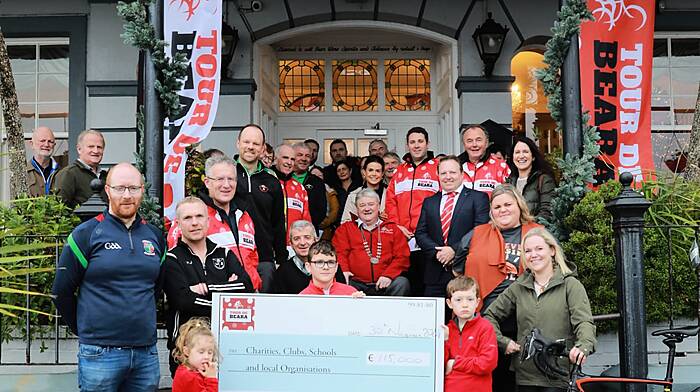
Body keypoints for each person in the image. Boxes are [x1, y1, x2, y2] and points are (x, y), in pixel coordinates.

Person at [52, 163, 165, 391]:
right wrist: (84, 329)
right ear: (107, 190)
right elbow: (60, 292)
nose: (127, 195)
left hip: (145, 353)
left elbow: (156, 288)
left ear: (142, 190)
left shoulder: (155, 236)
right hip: (100, 353)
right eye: (120, 188)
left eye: (133, 188)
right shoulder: (86, 235)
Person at [452, 183, 541, 392]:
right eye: (497, 207)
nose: (503, 210)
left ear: (519, 205)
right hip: (487, 313)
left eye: (508, 204)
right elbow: (458, 268)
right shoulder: (477, 233)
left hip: (527, 311)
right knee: (494, 376)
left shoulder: (537, 232)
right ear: (491, 211)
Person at [484, 227, 596, 391]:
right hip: (525, 377)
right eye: (527, 251)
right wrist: (503, 342)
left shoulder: (570, 285)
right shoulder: (518, 287)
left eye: (539, 248)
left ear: (552, 250)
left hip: (558, 375)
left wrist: (583, 346)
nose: (533, 254)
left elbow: (584, 322)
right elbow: (489, 316)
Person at [164, 196, 253, 377]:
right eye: (188, 218)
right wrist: (226, 295)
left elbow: (246, 287)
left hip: (225, 347)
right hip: (187, 350)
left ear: (208, 220)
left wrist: (208, 288)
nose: (195, 223)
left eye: (199, 216)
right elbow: (184, 301)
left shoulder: (225, 253)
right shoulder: (172, 259)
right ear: (178, 224)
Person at [168, 156, 262, 291]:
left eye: (231, 179)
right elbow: (178, 259)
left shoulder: (244, 216)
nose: (226, 185)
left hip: (247, 297)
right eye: (220, 179)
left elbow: (252, 258)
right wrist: (221, 287)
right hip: (207, 302)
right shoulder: (194, 216)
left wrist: (253, 283)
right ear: (207, 182)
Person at [415, 155, 490, 299]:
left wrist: (454, 250)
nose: (448, 177)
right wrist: (439, 253)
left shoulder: (478, 198)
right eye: (443, 173)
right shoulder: (429, 202)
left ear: (462, 174)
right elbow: (421, 233)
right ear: (438, 175)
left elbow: (480, 230)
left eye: (452, 172)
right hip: (434, 273)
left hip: (465, 270)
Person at [385, 126, 440, 296]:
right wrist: (396, 226)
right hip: (403, 238)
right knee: (408, 284)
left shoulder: (438, 167)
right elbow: (390, 200)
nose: (416, 145)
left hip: (429, 237)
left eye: (420, 141)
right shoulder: (400, 171)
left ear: (427, 143)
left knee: (429, 285)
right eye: (412, 142)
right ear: (407, 145)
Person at [233, 124, 287, 293]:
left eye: (256, 144)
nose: (250, 147)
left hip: (264, 258)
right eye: (246, 142)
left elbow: (278, 222)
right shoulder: (226, 174)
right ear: (238, 143)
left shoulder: (272, 180)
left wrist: (280, 258)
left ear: (263, 148)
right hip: (232, 256)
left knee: (265, 312)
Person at [333, 188, 411, 296]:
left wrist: (388, 275)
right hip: (356, 283)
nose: (367, 208)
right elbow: (339, 253)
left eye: (371, 204)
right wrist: (344, 271)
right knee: (342, 284)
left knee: (402, 283)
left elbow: (402, 256)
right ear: (356, 208)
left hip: (385, 283)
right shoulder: (345, 229)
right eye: (362, 205)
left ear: (378, 206)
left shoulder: (392, 229)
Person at [443, 276, 498, 392]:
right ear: (449, 303)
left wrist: (455, 363)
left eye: (470, 299)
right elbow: (439, 365)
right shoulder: (447, 330)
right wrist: (445, 341)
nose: (464, 304)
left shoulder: (485, 327)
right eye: (458, 300)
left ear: (477, 302)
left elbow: (487, 364)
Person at [272, 220, 346, 294]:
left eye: (307, 237)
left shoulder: (330, 266)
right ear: (291, 243)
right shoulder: (282, 272)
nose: (302, 243)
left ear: (315, 240)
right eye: (296, 239)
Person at [506, 136, 556, 222]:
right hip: (513, 233)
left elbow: (547, 212)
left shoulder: (544, 180)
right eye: (517, 152)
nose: (521, 156)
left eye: (525, 152)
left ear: (533, 157)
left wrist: (526, 226)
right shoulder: (509, 182)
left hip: (534, 232)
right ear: (513, 157)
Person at [271, 144, 312, 243]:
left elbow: (306, 221)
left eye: (292, 159)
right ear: (275, 159)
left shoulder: (299, 188)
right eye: (285, 158)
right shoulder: (266, 184)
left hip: (294, 246)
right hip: (270, 245)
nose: (289, 162)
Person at [56, 129, 107, 208]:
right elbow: (59, 209)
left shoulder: (106, 177)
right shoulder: (69, 174)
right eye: (91, 146)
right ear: (79, 149)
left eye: (99, 147)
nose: (96, 151)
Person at [458, 124, 510, 197]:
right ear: (464, 144)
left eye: (478, 140)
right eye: (469, 141)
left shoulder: (501, 166)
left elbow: (509, 197)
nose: (474, 144)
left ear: (486, 143)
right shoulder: (456, 167)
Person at [299, 240, 364, 296]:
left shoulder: (350, 293)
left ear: (336, 267)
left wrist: (359, 303)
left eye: (331, 262)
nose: (326, 267)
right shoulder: (302, 297)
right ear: (308, 267)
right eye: (319, 262)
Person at [171, 318, 219, 392]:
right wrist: (211, 379)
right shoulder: (190, 377)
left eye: (210, 352)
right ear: (186, 351)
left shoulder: (188, 371)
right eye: (201, 352)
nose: (206, 357)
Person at [292, 142, 327, 232]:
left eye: (307, 156)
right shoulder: (282, 179)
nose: (304, 159)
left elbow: (321, 212)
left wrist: (304, 227)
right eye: (300, 155)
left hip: (308, 231)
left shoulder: (317, 182)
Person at [341, 155, 387, 223]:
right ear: (364, 172)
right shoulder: (353, 195)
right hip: (360, 233)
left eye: (378, 171)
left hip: (386, 232)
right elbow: (345, 222)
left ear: (382, 174)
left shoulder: (391, 193)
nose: (374, 174)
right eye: (370, 170)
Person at [26, 126, 61, 197]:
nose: (46, 145)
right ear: (32, 144)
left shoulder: (62, 172)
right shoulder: (23, 173)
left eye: (50, 142)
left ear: (54, 145)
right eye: (42, 141)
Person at [333, 159, 362, 225]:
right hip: (339, 224)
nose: (342, 172)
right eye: (339, 170)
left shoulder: (358, 187)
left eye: (344, 169)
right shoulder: (335, 190)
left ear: (350, 171)